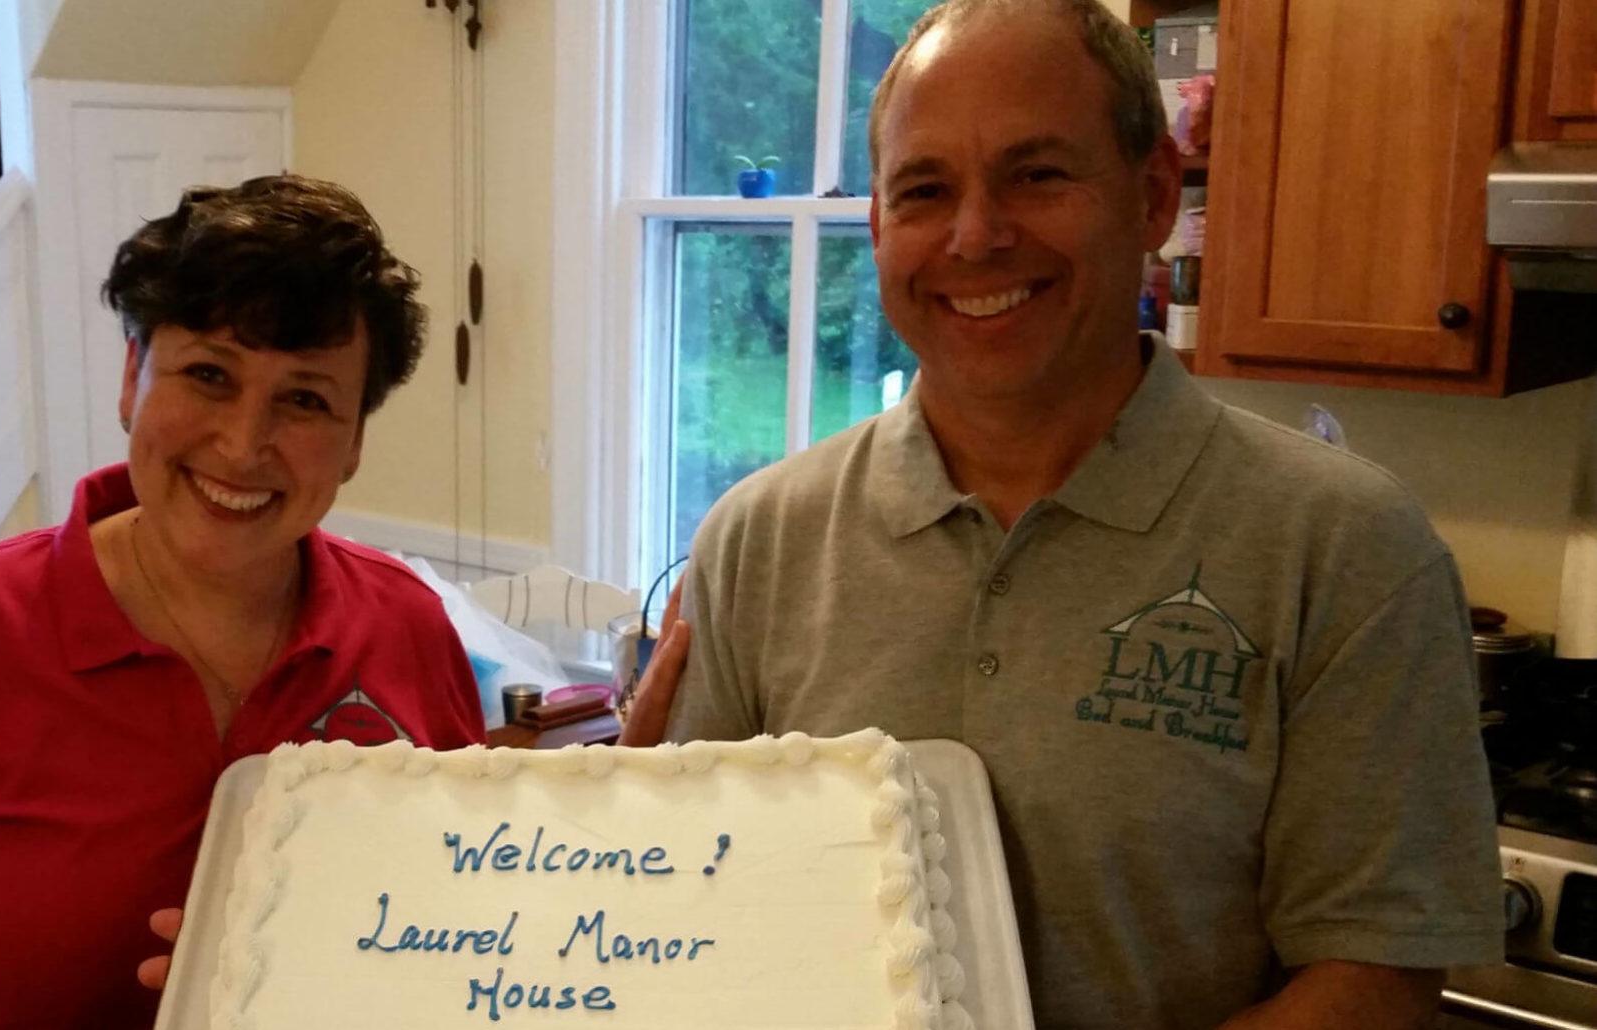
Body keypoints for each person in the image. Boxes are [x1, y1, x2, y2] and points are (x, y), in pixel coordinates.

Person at [630, 2, 1505, 1028]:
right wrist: (597, 842)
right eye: (923, 190)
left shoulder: (1345, 547)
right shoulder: (757, 541)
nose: (975, 235)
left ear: (1150, 197)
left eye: (1037, 174)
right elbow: (701, 918)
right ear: (877, 228)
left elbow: (1377, 976)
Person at [0, 175, 487, 1030]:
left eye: (305, 399)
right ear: (132, 378)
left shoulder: (407, 630)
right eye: (208, 374)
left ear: (356, 441)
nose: (242, 443)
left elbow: (449, 954)